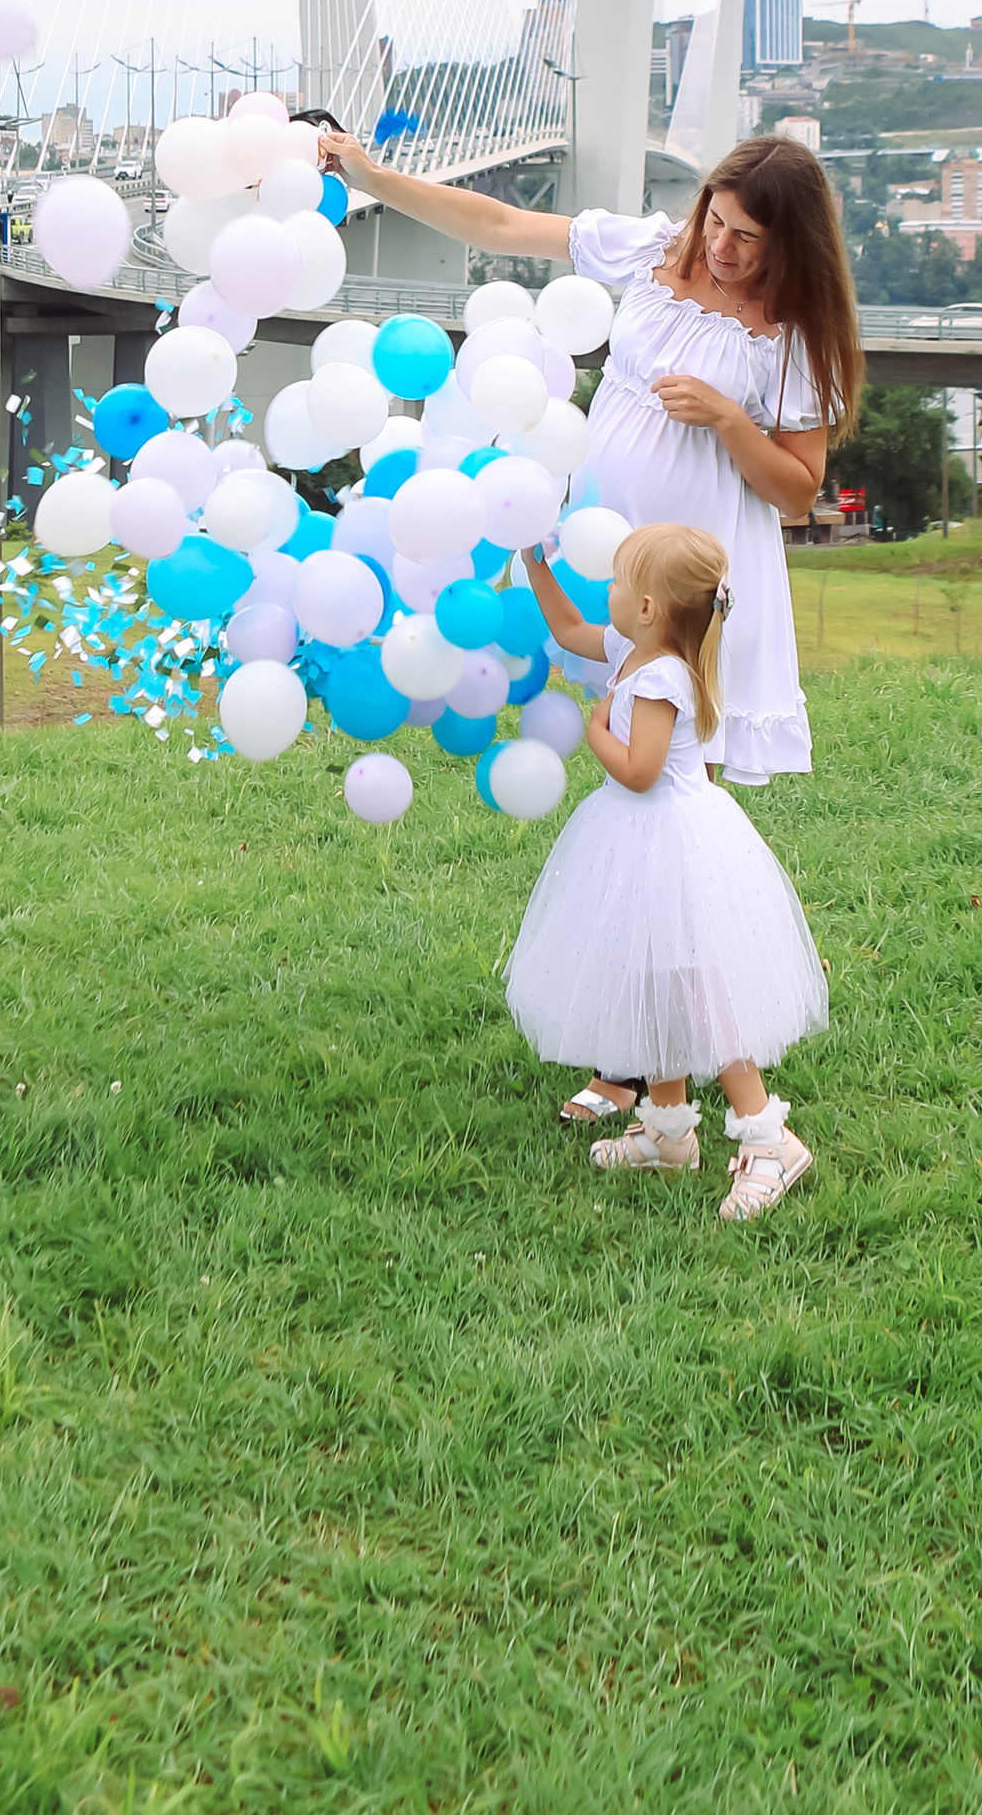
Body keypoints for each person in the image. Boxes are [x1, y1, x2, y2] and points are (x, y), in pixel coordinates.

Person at [315, 126, 858, 1102]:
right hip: (597, 550)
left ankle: (670, 1079)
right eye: (719, 222)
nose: (725, 249)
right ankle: (641, 1068)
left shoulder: (790, 336)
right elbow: (497, 221)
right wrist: (371, 178)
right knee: (629, 818)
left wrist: (731, 422)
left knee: (656, 807)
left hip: (684, 581)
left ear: (791, 246)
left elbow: (797, 493)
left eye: (750, 240)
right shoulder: (651, 250)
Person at [505, 521, 827, 1222]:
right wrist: (533, 562)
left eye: (619, 582)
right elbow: (565, 630)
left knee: (700, 987)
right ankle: (668, 1130)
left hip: (668, 839)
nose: (610, 591)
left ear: (648, 607)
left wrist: (594, 734)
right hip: (636, 840)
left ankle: (771, 1140)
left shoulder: (658, 678)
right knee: (651, 978)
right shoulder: (631, 648)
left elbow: (642, 772)